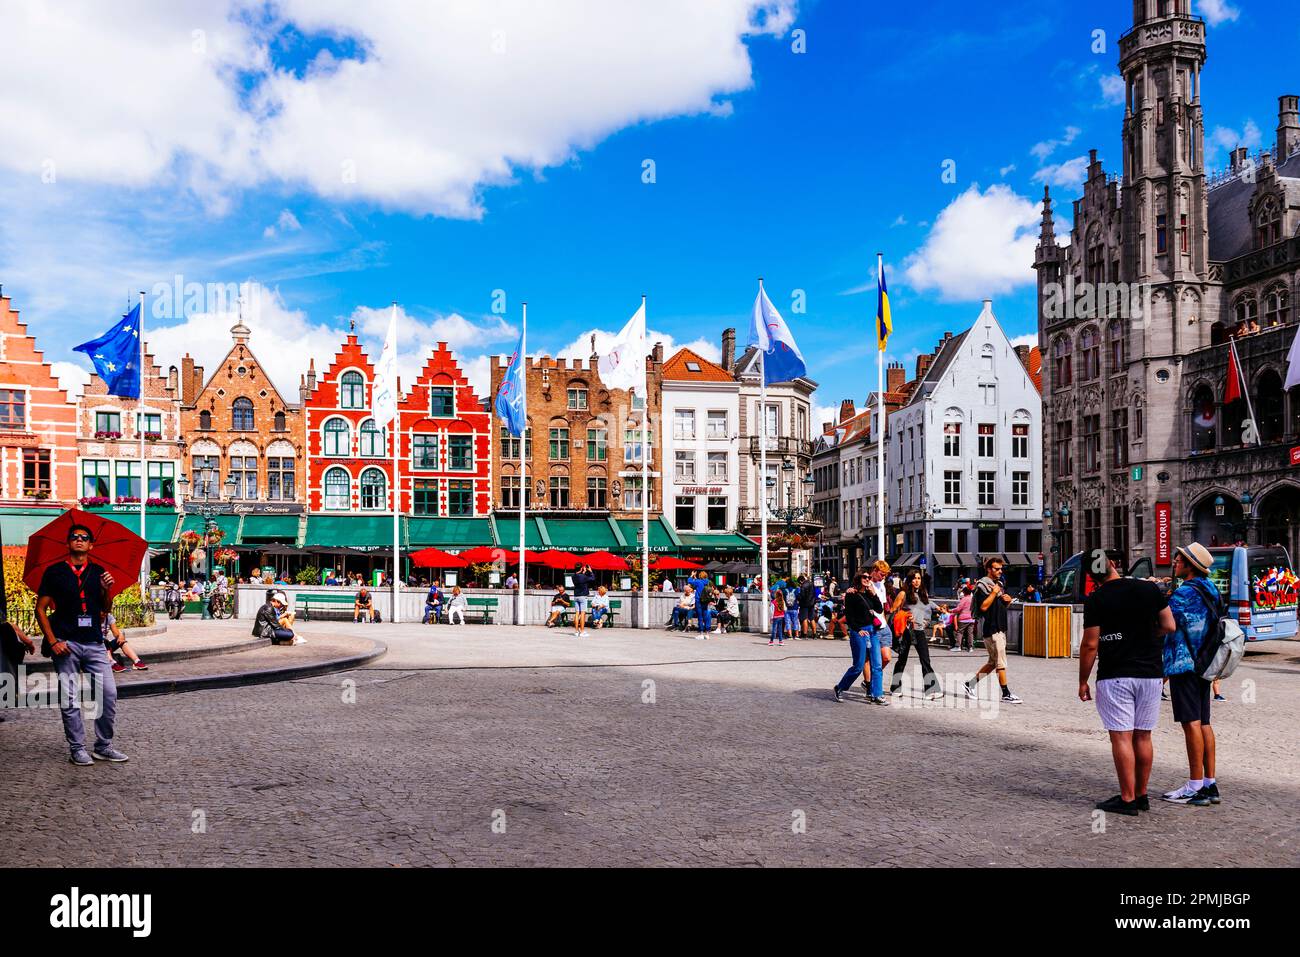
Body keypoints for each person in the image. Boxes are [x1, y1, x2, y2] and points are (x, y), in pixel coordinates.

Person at [1078, 549, 1174, 816]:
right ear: (1112, 564)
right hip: (1151, 674)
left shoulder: (1096, 599)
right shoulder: (1149, 590)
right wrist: (1146, 636)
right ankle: (1142, 795)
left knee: (1121, 736)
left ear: (1090, 575)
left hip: (1116, 673)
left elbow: (1090, 645)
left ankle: (1127, 798)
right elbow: (1170, 625)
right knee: (1143, 735)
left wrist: (1083, 681)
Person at [34, 523, 128, 765]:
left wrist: (108, 591)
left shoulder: (99, 572)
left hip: (95, 643)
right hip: (66, 643)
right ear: (68, 543)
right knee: (70, 696)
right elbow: (40, 609)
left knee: (108, 693)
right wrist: (53, 641)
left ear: (91, 545)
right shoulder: (54, 572)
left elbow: (106, 610)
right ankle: (77, 748)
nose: (79, 540)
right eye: (74, 537)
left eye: (84, 537)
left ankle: (103, 745)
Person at [1161, 542, 1223, 807]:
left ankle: (1194, 785)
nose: (1175, 564)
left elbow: (1166, 623)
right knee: (1204, 722)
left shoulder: (1185, 593)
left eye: (1178, 560)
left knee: (1191, 723)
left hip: (1185, 664)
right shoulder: (1210, 589)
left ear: (1189, 565)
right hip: (1205, 664)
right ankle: (1210, 782)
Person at [963, 558, 1022, 704]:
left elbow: (997, 608)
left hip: (999, 628)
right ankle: (1006, 694)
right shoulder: (983, 585)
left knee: (992, 663)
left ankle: (969, 685)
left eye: (1001, 569)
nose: (1000, 571)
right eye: (997, 569)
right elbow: (983, 607)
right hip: (992, 629)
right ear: (989, 569)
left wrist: (1006, 601)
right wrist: (994, 593)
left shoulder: (997, 585)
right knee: (1000, 663)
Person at [832, 568, 889, 704]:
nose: (867, 579)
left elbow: (879, 610)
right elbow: (849, 617)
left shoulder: (870, 594)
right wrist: (857, 630)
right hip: (859, 632)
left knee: (877, 664)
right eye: (864, 577)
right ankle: (840, 687)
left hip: (873, 631)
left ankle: (877, 694)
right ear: (858, 578)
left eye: (869, 577)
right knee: (858, 665)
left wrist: (874, 594)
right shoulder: (852, 595)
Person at [888, 569, 946, 700]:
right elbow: (893, 612)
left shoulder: (922, 593)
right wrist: (905, 616)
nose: (917, 581)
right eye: (914, 578)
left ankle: (930, 690)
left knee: (925, 659)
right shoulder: (903, 594)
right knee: (902, 660)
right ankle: (895, 688)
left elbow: (927, 604)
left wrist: (938, 608)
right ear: (909, 580)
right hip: (907, 631)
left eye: (919, 578)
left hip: (919, 631)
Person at [572, 562, 596, 637]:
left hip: (576, 596)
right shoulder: (583, 576)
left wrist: (584, 572)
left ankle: (576, 631)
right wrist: (590, 571)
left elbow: (581, 578)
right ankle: (582, 631)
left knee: (577, 613)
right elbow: (592, 578)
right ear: (581, 568)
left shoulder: (573, 576)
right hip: (583, 596)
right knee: (582, 614)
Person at [950, 582, 976, 652]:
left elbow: (958, 609)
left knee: (960, 632)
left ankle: (958, 646)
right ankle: (970, 647)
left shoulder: (964, 599)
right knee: (970, 633)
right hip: (972, 619)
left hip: (963, 619)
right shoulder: (973, 599)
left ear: (964, 592)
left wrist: (951, 610)